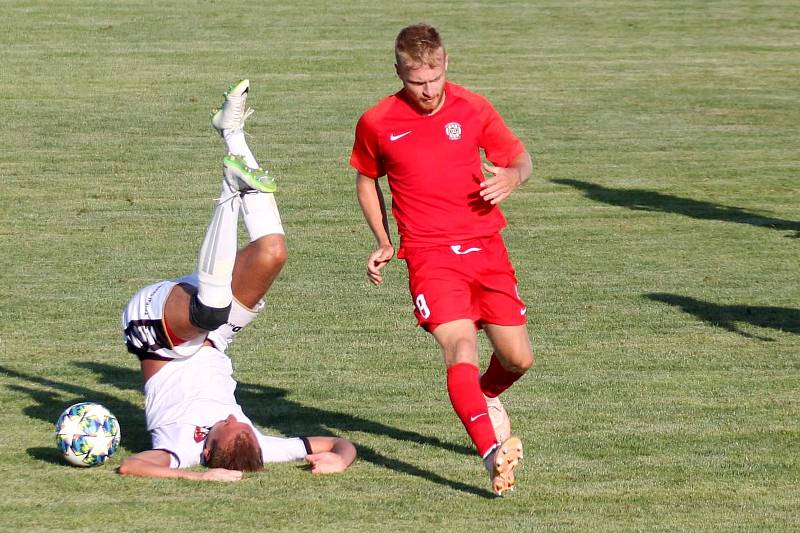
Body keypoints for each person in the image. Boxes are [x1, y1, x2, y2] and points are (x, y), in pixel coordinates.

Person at [118, 80, 356, 481]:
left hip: (156, 333)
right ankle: (231, 131)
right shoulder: (260, 446)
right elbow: (337, 442)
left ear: (207, 448)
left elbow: (132, 466)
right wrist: (341, 458)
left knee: (209, 311)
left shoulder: (181, 448)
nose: (232, 414)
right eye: (241, 420)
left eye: (226, 424)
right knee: (272, 252)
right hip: (214, 332)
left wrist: (198, 478)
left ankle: (230, 189)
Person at [350, 24, 533, 496]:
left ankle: (485, 396)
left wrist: (512, 177)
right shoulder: (377, 121)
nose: (427, 91)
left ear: (446, 63)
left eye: (433, 78)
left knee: (518, 359)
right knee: (461, 349)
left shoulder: (473, 107)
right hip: (430, 255)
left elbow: (520, 159)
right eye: (416, 81)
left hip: (488, 248)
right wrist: (384, 240)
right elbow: (367, 179)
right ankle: (491, 453)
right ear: (399, 72)